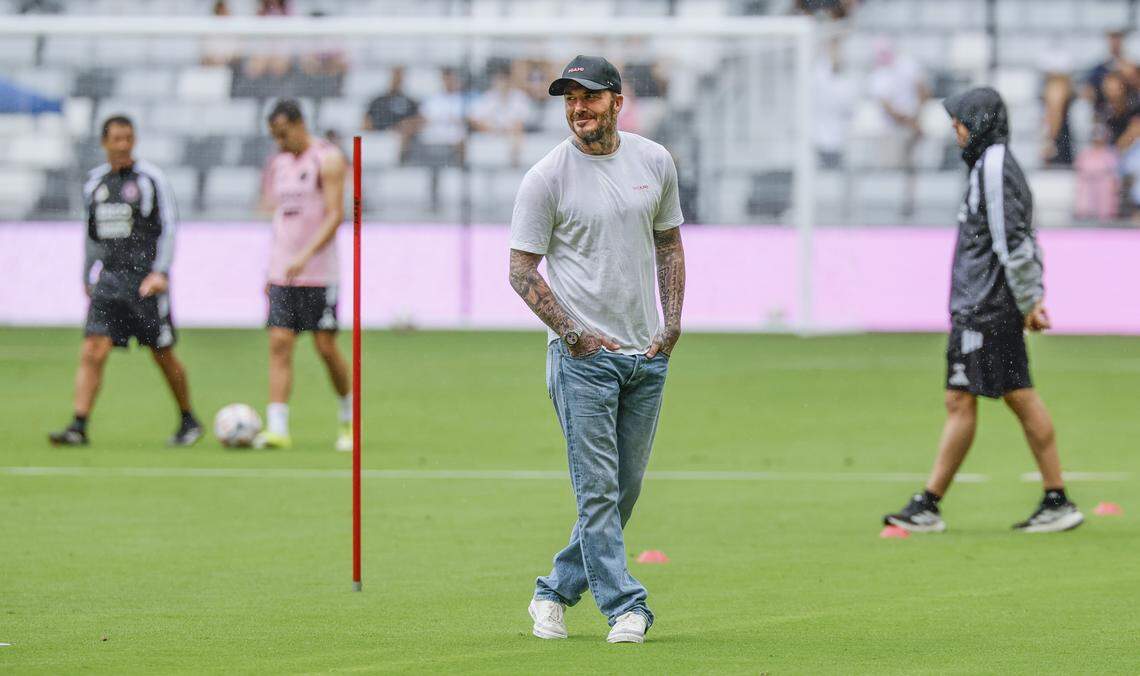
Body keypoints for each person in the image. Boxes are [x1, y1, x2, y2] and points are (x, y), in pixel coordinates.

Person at [509, 55, 685, 644]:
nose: (578, 109)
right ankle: (625, 607)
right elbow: (521, 271)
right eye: (568, 100)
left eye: (588, 97)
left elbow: (669, 244)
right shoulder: (546, 177)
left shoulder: (654, 161)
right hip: (581, 361)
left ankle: (554, 590)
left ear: (616, 101)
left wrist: (673, 323)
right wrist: (575, 334)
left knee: (623, 490)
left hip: (645, 356)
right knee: (599, 491)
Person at [883, 87, 1084, 534]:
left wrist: (1031, 300)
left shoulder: (993, 167)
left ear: (978, 122)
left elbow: (1013, 241)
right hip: (987, 306)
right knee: (1011, 395)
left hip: (985, 309)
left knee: (968, 398)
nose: (955, 130)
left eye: (960, 121)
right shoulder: (988, 166)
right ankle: (1056, 499)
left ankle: (929, 504)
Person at [49, 115, 202, 447]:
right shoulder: (95, 184)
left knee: (161, 352)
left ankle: (188, 419)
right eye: (116, 139)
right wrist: (86, 274)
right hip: (109, 280)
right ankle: (78, 425)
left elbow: (169, 227)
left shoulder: (150, 179)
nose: (123, 145)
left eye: (128, 138)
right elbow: (91, 235)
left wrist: (161, 272)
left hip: (144, 281)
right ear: (105, 142)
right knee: (93, 349)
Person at [254, 99, 351, 451]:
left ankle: (347, 418)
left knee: (325, 346)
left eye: (282, 134)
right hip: (283, 271)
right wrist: (272, 268)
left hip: (319, 273)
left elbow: (336, 214)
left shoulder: (328, 158)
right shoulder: (278, 164)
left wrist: (305, 254)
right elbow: (280, 217)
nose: (279, 142)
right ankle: (277, 428)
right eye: (274, 136)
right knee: (279, 343)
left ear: (298, 125)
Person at [362, 66, 421, 163]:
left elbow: (416, 121)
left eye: (399, 76)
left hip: (400, 136)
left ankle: (401, 162)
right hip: (379, 134)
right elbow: (366, 122)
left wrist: (401, 127)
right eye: (395, 76)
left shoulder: (410, 101)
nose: (397, 80)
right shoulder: (378, 100)